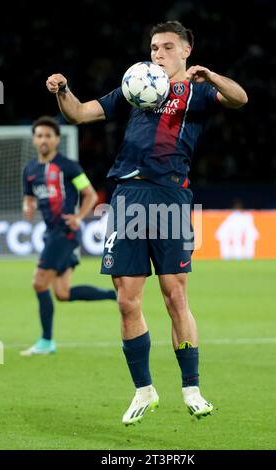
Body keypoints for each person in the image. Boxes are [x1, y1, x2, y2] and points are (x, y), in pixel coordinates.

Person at [46, 20, 248, 424]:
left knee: (175, 296)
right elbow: (81, 114)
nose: (158, 53)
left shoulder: (200, 91)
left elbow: (240, 99)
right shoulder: (135, 84)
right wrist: (62, 91)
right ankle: (144, 390)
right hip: (127, 196)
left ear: (186, 51)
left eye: (167, 47)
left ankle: (191, 388)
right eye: (155, 47)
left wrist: (211, 75)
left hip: (171, 195)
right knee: (126, 300)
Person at [21, 116, 116, 356]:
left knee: (38, 282)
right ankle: (114, 294)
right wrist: (28, 207)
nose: (44, 139)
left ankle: (46, 341)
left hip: (64, 233)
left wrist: (78, 217)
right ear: (34, 140)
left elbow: (90, 195)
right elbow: (29, 198)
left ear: (56, 139)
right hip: (50, 233)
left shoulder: (69, 166)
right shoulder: (30, 170)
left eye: (48, 135)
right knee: (62, 293)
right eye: (40, 135)